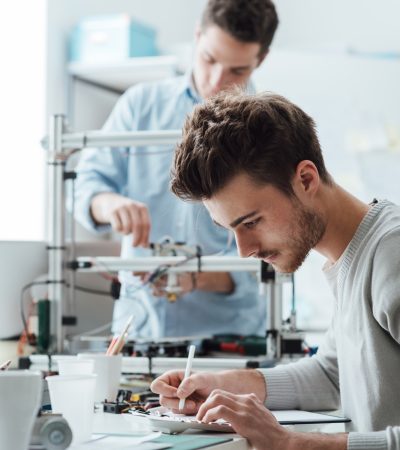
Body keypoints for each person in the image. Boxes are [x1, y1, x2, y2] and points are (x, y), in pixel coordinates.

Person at [151, 91, 400, 449]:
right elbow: (331, 375)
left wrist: (289, 443)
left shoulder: (391, 254)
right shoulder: (352, 257)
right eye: (231, 230)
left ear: (306, 179)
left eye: (252, 221)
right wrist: (222, 385)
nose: (245, 249)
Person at [74, 0, 279, 339]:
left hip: (230, 342)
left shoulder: (273, 129)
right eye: (209, 59)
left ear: (261, 60)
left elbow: (277, 245)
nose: (216, 81)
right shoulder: (140, 105)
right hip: (139, 332)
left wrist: (198, 277)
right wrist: (110, 204)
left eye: (237, 71)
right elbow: (86, 186)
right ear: (197, 36)